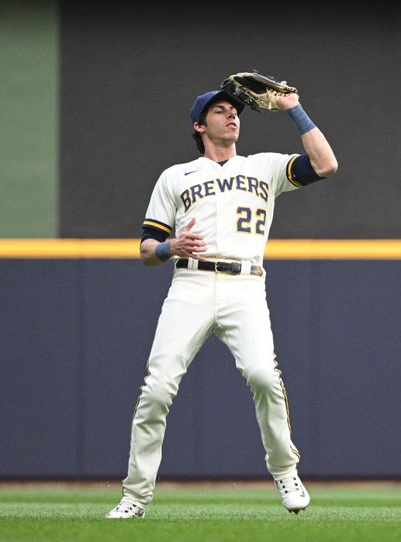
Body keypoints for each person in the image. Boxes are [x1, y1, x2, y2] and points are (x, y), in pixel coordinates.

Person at [106, 82, 338, 518]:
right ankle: (135, 496)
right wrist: (168, 247)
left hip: (245, 286)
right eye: (219, 110)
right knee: (157, 389)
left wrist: (295, 108)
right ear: (200, 124)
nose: (231, 115)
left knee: (263, 377)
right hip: (190, 285)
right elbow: (145, 250)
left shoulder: (264, 166)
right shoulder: (176, 176)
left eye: (234, 110)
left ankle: (286, 471)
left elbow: (326, 165)